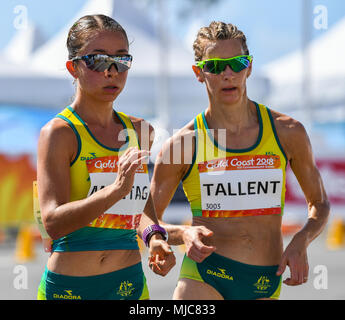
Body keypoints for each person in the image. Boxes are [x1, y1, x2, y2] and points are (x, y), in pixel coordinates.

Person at [150, 21, 330, 300]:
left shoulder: (288, 132)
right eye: (216, 66)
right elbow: (147, 218)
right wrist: (180, 234)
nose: (229, 74)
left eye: (237, 63)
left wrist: (300, 240)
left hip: (264, 280)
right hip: (203, 277)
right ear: (199, 72)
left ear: (250, 66)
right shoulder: (183, 143)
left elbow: (319, 203)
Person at [36, 14, 175, 300]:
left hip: (129, 284)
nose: (112, 70)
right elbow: (52, 221)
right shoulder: (59, 133)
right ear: (73, 68)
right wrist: (115, 190)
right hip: (71, 288)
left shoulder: (139, 130)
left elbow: (139, 204)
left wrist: (154, 236)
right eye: (98, 60)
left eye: (121, 60)